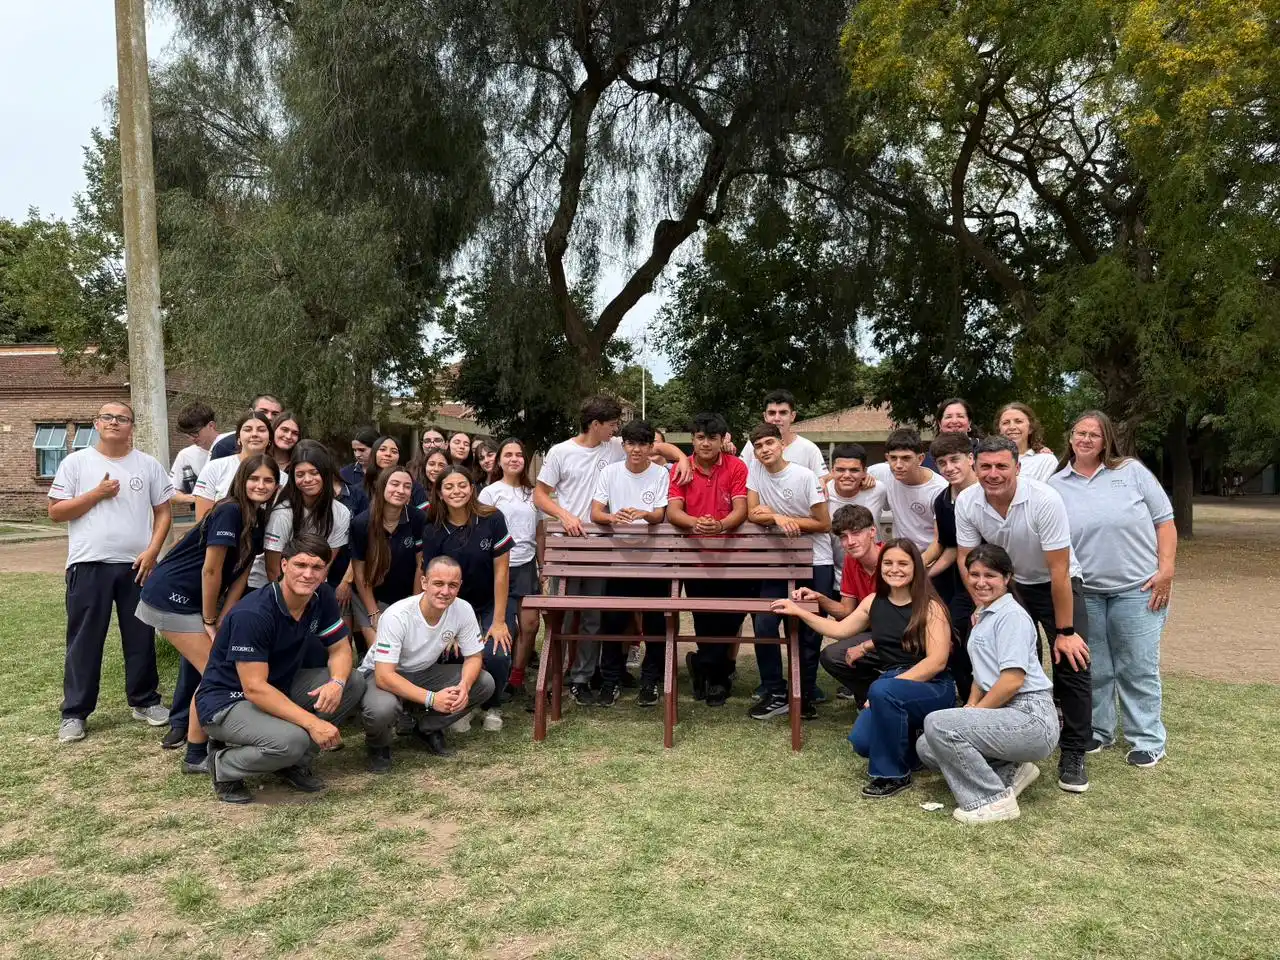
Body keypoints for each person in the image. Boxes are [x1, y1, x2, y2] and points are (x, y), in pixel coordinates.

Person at [955, 435, 1093, 793]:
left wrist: (1065, 630)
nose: (993, 473)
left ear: (1018, 467)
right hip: (1009, 584)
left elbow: (1060, 569)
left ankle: (1074, 751)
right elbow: (966, 560)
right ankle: (1009, 745)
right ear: (974, 466)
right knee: (1008, 662)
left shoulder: (1044, 499)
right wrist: (981, 605)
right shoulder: (967, 501)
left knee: (1072, 661)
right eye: (985, 466)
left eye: (1002, 466)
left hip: (1055, 581)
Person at [533, 395, 690, 705]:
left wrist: (682, 460)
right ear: (596, 425)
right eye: (613, 425)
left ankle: (582, 678)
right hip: (569, 545)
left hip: (602, 548)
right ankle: (555, 677)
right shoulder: (560, 452)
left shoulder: (617, 446)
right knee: (561, 618)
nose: (617, 431)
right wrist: (565, 516)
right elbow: (540, 494)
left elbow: (660, 448)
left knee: (593, 618)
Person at [774, 538, 954, 799]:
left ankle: (892, 775)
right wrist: (799, 611)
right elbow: (839, 630)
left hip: (933, 685)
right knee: (862, 742)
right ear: (880, 567)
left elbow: (936, 662)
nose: (895, 569)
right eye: (888, 563)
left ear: (916, 567)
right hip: (893, 682)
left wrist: (884, 692)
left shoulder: (931, 606)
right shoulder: (873, 601)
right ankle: (914, 750)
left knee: (881, 690)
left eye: (903, 563)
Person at [197, 534, 366, 804]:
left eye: (316, 567)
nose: (308, 574)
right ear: (284, 565)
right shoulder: (253, 614)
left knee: (353, 681)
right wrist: (313, 723)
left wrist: (337, 682)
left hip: (278, 686)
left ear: (325, 571)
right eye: (300, 565)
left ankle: (293, 763)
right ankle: (224, 765)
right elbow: (254, 688)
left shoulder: (321, 595)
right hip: (228, 700)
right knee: (293, 739)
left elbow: (340, 648)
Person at [1050, 411, 1177, 768]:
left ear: (1106, 441)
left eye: (1094, 434)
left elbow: (1164, 522)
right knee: (1097, 667)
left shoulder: (1131, 471)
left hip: (1138, 589)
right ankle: (1099, 730)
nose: (1086, 439)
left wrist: (1166, 570)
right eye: (1080, 432)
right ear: (1070, 438)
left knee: (1137, 666)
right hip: (1085, 591)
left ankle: (1147, 738)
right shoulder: (1056, 482)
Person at [138, 455, 280, 768]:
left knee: (215, 671)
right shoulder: (229, 510)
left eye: (268, 480)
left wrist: (226, 617)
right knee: (216, 672)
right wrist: (209, 619)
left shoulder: (258, 518)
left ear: (276, 486)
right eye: (254, 479)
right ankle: (196, 753)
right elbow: (211, 570)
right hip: (170, 596)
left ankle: (204, 742)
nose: (261, 485)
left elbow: (241, 572)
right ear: (241, 480)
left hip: (193, 602)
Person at [49, 401, 175, 743]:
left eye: (122, 418)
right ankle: (75, 712)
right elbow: (57, 512)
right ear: (96, 423)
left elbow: (163, 513)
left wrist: (152, 551)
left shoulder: (147, 465)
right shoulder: (77, 463)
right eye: (108, 417)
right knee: (85, 640)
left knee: (140, 637)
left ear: (132, 425)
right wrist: (97, 494)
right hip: (88, 564)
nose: (115, 422)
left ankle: (145, 700)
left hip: (137, 565)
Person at [916, 544, 1059, 823]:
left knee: (938, 724)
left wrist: (975, 714)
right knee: (927, 746)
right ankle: (1012, 771)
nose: (981, 582)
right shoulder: (983, 614)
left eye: (990, 575)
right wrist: (970, 707)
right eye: (974, 574)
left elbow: (1012, 680)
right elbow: (982, 675)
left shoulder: (1012, 616)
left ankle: (992, 799)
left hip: (1030, 716)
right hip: (1005, 713)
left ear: (1007, 578)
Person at [359, 556, 497, 770]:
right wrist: (432, 699)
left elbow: (474, 657)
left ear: (460, 586)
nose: (445, 591)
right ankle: (378, 745)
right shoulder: (397, 615)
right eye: (438, 583)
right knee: (381, 709)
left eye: (452, 585)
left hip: (423, 671)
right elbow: (384, 675)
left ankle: (426, 727)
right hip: (382, 674)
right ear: (424, 583)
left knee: (483, 682)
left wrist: (464, 686)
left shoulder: (463, 609)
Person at [745, 421, 832, 721]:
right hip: (777, 560)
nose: (765, 450)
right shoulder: (755, 471)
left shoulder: (805, 475)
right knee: (765, 625)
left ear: (782, 444)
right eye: (758, 446)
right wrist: (775, 517)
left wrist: (780, 516)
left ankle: (805, 694)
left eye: (770, 443)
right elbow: (752, 512)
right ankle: (776, 691)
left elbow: (823, 523)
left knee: (809, 631)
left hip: (816, 560)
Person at [422, 466, 514, 731]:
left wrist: (498, 620)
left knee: (496, 652)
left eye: (462, 485)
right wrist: (445, 624)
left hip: (490, 602)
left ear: (472, 488)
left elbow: (501, 573)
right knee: (452, 651)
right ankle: (465, 705)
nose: (456, 491)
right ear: (439, 493)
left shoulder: (492, 519)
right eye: (448, 487)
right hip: (451, 606)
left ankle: (493, 705)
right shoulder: (433, 529)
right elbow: (432, 582)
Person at [667, 412, 749, 707]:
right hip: (695, 556)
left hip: (732, 555)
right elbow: (673, 512)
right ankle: (717, 678)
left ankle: (705, 666)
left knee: (731, 617)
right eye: (700, 437)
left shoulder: (736, 466)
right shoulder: (681, 469)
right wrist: (693, 523)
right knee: (704, 617)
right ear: (693, 439)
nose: (705, 443)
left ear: (722, 440)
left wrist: (722, 524)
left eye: (712, 438)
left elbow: (740, 508)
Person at [590, 419, 671, 706]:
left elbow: (660, 514)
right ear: (623, 445)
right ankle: (610, 680)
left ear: (651, 447)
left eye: (642, 444)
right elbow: (596, 512)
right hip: (619, 562)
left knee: (655, 625)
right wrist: (614, 517)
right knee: (613, 622)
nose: (636, 449)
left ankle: (651, 680)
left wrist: (643, 514)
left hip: (655, 562)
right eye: (631, 443)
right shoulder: (610, 473)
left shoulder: (661, 473)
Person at [479, 439, 542, 697]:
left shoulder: (533, 493)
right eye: (508, 455)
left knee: (530, 624)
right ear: (499, 460)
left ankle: (517, 676)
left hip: (526, 566)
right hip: (499, 568)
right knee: (506, 627)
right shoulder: (490, 493)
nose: (514, 459)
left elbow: (539, 531)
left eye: (519, 455)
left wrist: (543, 564)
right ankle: (499, 680)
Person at [922, 431, 981, 702]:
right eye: (942, 463)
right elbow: (946, 546)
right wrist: (918, 571)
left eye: (955, 460)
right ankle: (967, 697)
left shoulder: (989, 490)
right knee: (955, 638)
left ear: (970, 458)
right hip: (961, 582)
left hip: (998, 582)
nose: (949, 468)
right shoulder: (943, 500)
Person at [350, 467, 425, 657]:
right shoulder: (361, 523)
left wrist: (413, 606)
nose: (401, 490)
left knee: (406, 652)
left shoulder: (417, 518)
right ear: (382, 486)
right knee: (381, 652)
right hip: (370, 596)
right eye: (395, 484)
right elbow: (359, 572)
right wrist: (373, 612)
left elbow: (420, 565)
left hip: (406, 595)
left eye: (407, 486)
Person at [813, 505, 884, 700]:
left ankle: (885, 693)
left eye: (856, 533)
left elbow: (906, 621)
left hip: (903, 636)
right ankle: (873, 695)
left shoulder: (893, 558)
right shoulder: (851, 562)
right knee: (832, 656)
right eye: (843, 537)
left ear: (872, 531)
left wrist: (865, 646)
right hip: (874, 632)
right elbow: (846, 612)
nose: (850, 542)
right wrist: (819, 598)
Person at [257, 441, 351, 588]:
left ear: (326, 473)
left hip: (312, 584)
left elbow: (325, 564)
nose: (307, 479)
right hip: (272, 585)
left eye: (314, 473)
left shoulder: (341, 513)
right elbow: (272, 568)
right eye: (300, 474)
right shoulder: (282, 513)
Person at [867, 428, 947, 553]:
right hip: (901, 554)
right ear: (887, 458)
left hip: (932, 556)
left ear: (920, 459)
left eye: (906, 458)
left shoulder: (939, 490)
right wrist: (863, 478)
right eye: (893, 458)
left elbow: (940, 541)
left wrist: (919, 566)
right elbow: (847, 471)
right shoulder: (882, 472)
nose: (898, 465)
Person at [193, 411, 274, 520]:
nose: (254, 434)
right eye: (248, 429)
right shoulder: (214, 468)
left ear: (270, 438)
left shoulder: (282, 477)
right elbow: (202, 523)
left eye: (261, 430)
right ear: (238, 438)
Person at [739, 389, 827, 477]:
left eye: (783, 413)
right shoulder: (754, 445)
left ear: (792, 416)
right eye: (772, 413)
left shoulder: (809, 449)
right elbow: (738, 474)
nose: (777, 418)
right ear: (765, 416)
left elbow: (824, 479)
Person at [826, 443, 887, 569]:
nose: (847, 475)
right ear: (832, 471)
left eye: (854, 470)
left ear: (864, 472)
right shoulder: (822, 493)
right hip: (836, 573)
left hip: (875, 570)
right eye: (841, 470)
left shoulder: (878, 490)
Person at [169, 402, 218, 509]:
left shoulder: (232, 445)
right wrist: (196, 499)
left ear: (211, 425)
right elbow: (170, 493)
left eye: (195, 433)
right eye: (187, 435)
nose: (192, 438)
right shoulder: (185, 455)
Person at [208, 394, 283, 460]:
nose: (269, 417)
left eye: (275, 414)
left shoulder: (284, 444)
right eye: (263, 411)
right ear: (250, 411)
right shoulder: (225, 445)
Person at [997, 402, 1057, 482]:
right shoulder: (987, 459)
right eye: (1006, 423)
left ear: (1031, 428)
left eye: (1018, 421)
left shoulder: (1045, 460)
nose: (1012, 427)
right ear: (999, 430)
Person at [922, 397, 980, 471]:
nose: (954, 421)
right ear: (940, 424)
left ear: (969, 422)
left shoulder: (983, 450)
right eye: (948, 417)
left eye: (960, 416)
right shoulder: (928, 459)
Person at [268, 411, 302, 476]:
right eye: (285, 430)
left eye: (295, 433)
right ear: (274, 429)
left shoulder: (299, 463)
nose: (288, 436)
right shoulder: (260, 458)